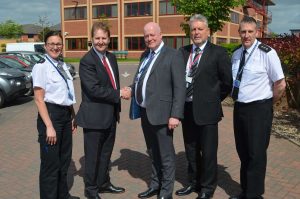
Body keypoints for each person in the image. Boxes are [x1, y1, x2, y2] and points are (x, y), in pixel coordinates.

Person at [125, 22, 186, 199]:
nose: (149, 38)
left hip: (163, 114)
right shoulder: (145, 55)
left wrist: (175, 114)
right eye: (146, 36)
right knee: (152, 152)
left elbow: (179, 88)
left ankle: (166, 193)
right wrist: (131, 88)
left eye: (153, 35)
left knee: (166, 156)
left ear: (161, 35)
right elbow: (140, 79)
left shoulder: (173, 55)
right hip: (146, 112)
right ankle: (155, 185)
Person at [175, 14, 232, 199]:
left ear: (208, 31)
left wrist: (212, 100)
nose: (197, 32)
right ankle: (193, 182)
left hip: (208, 111)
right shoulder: (183, 52)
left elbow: (227, 83)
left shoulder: (219, 53)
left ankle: (207, 188)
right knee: (191, 149)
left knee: (208, 152)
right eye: (193, 29)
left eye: (200, 29)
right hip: (187, 109)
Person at [229, 16, 286, 199]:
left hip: (259, 109)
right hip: (240, 109)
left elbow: (280, 83)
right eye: (243, 31)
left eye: (250, 32)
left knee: (256, 153)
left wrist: (268, 104)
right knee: (243, 151)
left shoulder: (267, 53)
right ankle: (245, 190)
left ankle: (254, 195)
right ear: (239, 33)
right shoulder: (236, 54)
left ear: (257, 32)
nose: (246, 35)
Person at [75, 22, 126, 199]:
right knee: (92, 156)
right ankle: (91, 190)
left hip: (111, 115)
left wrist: (117, 96)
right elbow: (94, 89)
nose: (100, 41)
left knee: (106, 154)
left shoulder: (110, 58)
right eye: (97, 38)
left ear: (109, 39)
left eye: (104, 38)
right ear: (91, 39)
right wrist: (119, 94)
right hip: (94, 117)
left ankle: (103, 183)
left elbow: (113, 83)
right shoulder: (87, 61)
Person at [32, 31, 79, 199]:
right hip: (50, 116)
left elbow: (67, 93)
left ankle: (63, 195)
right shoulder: (41, 66)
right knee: (50, 165)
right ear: (45, 46)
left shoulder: (63, 65)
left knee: (64, 161)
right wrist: (49, 126)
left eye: (58, 44)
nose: (55, 47)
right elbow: (38, 99)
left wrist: (72, 115)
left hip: (65, 115)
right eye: (51, 44)